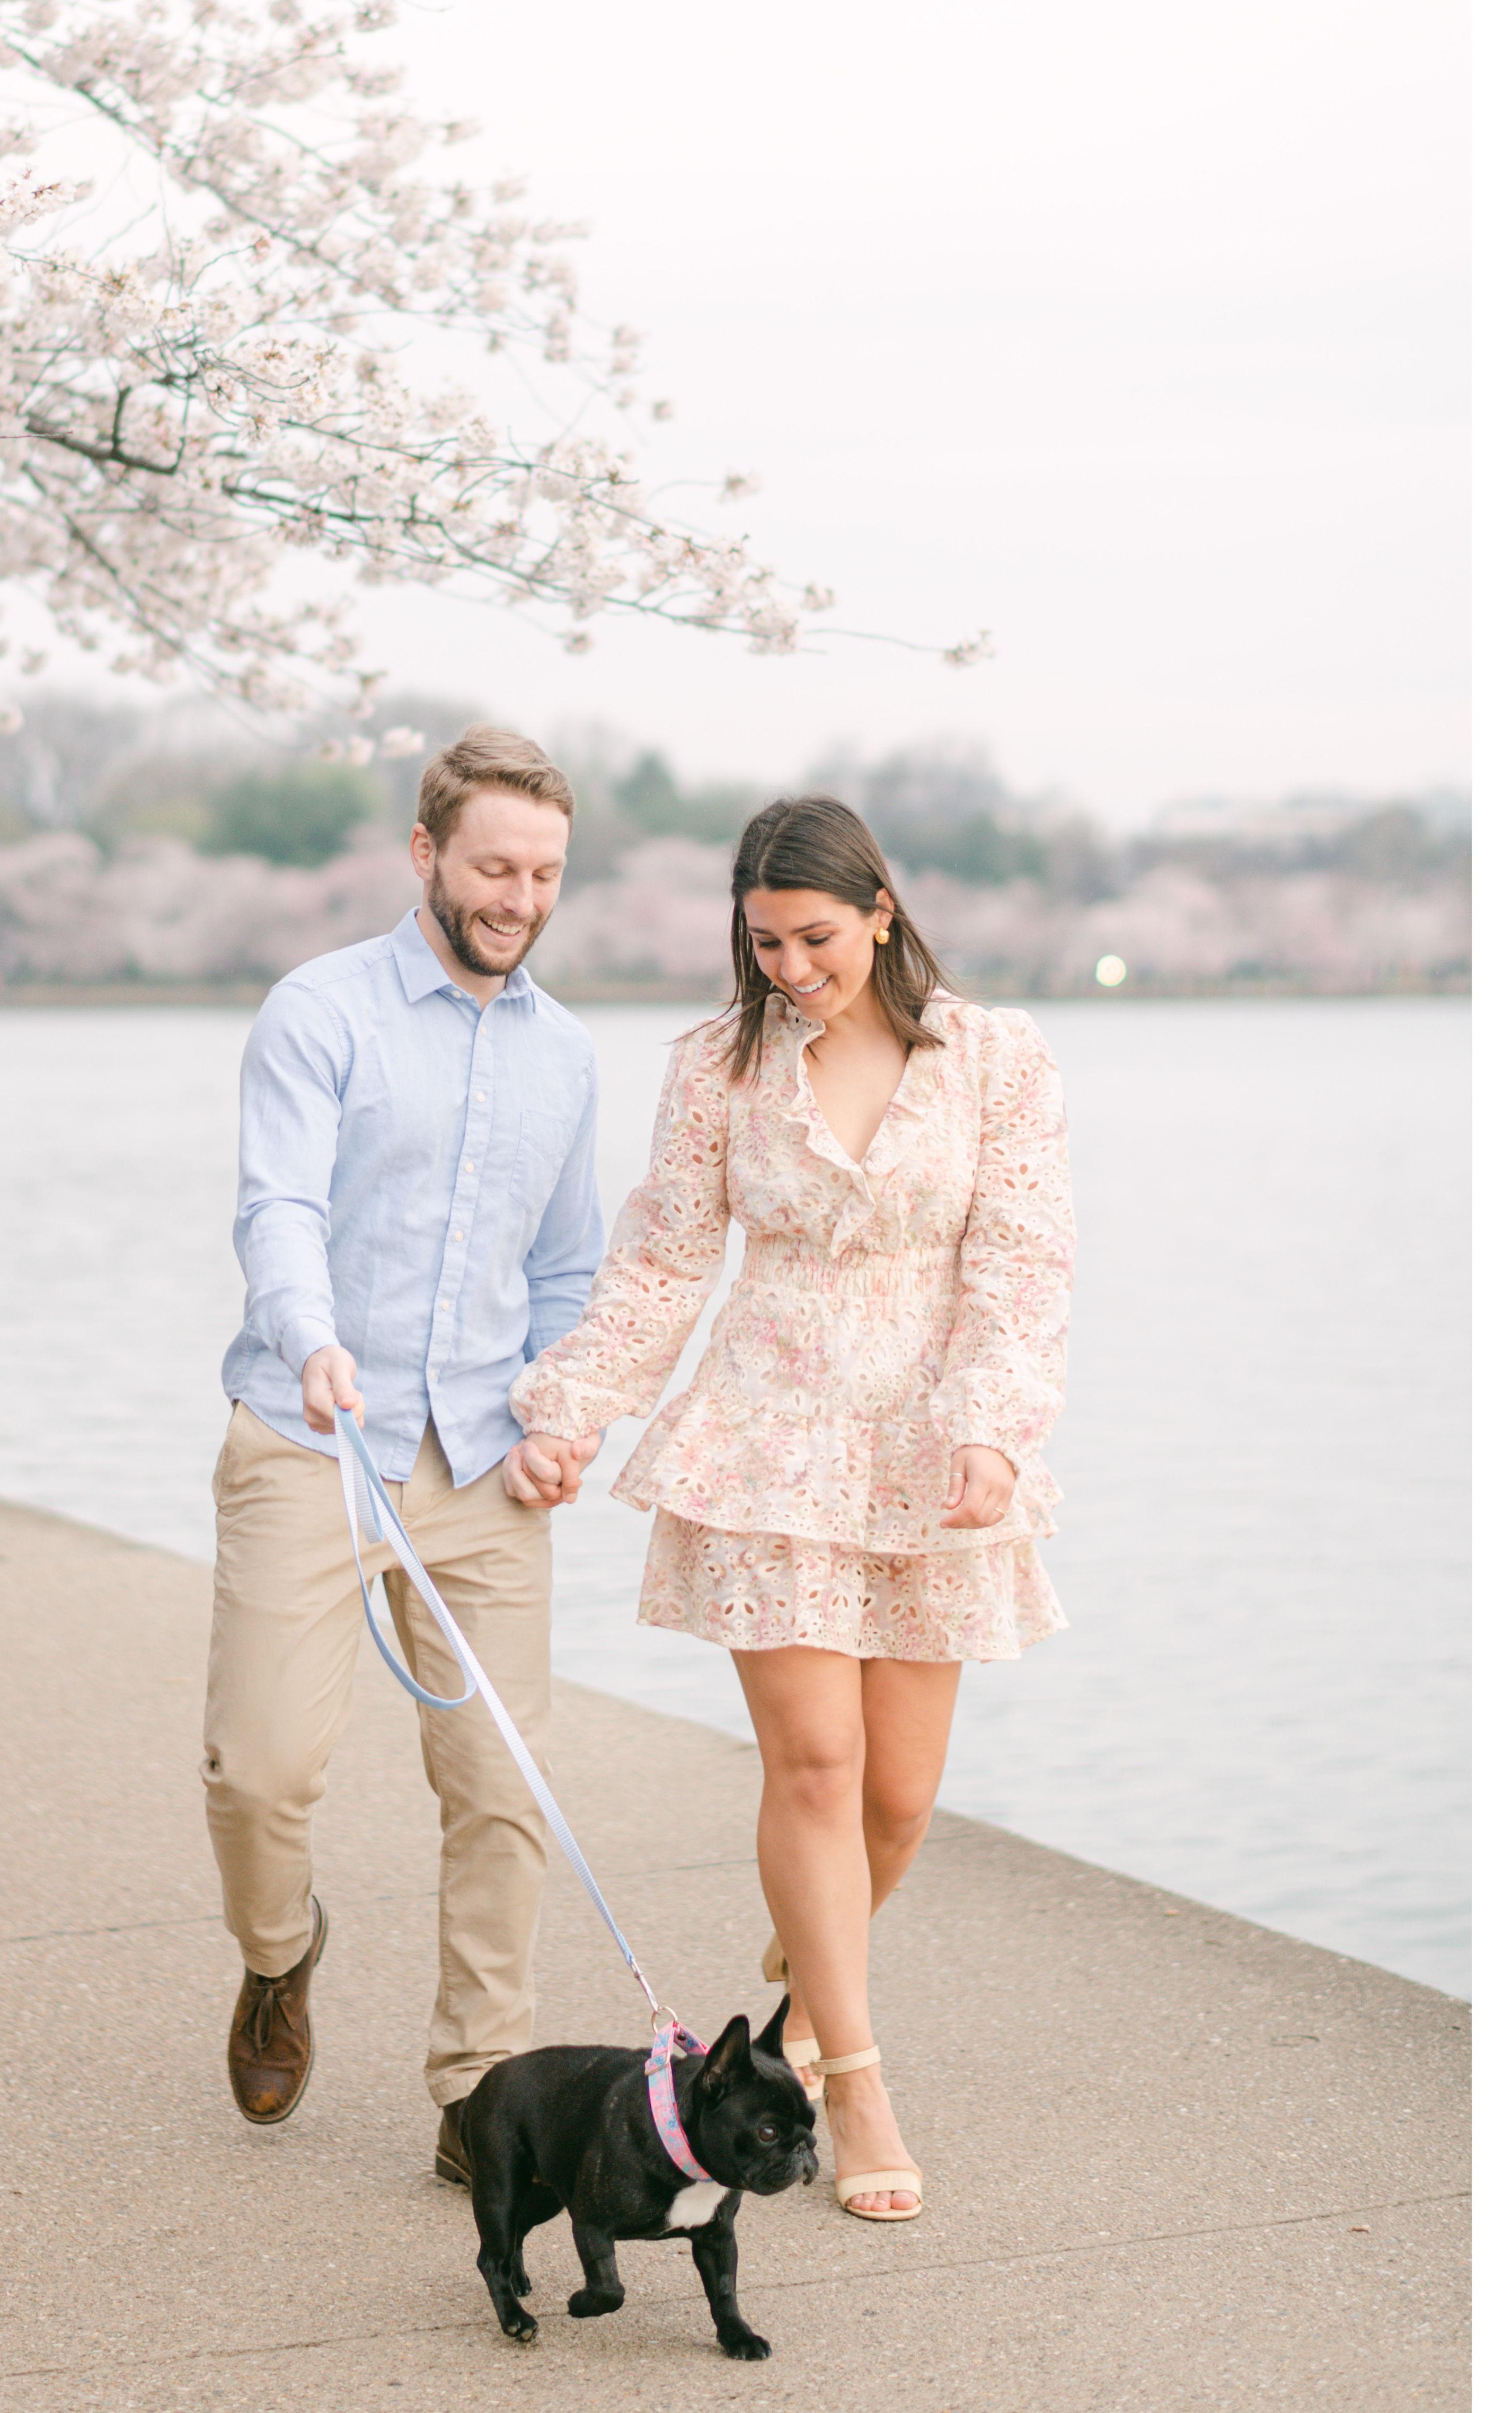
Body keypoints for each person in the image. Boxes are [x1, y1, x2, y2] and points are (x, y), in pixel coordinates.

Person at [508, 795, 1074, 2223]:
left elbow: (1020, 1261)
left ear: (879, 910)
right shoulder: (718, 1064)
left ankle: (809, 1982)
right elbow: (661, 1258)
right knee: (815, 1768)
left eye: (814, 936)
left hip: (932, 1443)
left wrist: (994, 1433)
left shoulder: (994, 1055)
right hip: (764, 1437)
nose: (789, 966)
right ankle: (852, 2074)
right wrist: (571, 1408)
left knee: (896, 1798)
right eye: (763, 941)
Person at [201, 725, 602, 2190]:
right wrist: (308, 1336)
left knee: (502, 1788)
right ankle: (276, 1952)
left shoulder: (565, 1055)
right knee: (261, 1770)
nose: (518, 895)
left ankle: (477, 2088)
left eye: (546, 871)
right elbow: (277, 1204)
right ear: (425, 854)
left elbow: (567, 1273)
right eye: (494, 864)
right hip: (312, 1435)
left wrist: (563, 1414)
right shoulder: (319, 1011)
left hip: (485, 1464)